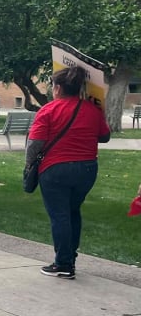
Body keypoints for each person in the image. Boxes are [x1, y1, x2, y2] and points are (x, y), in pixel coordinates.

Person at [27, 66, 110, 279]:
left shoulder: (48, 110)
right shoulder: (92, 110)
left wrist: (29, 165)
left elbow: (35, 143)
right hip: (87, 168)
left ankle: (63, 263)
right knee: (73, 211)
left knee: (60, 215)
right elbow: (104, 136)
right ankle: (70, 257)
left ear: (57, 88)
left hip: (55, 168)